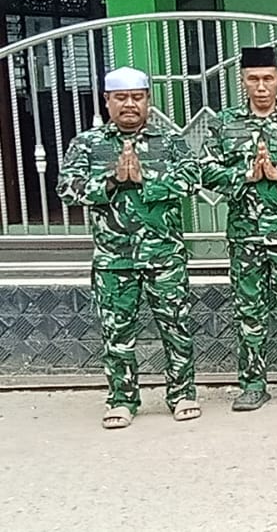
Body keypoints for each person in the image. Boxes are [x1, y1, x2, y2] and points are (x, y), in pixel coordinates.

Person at [59, 67, 202, 430]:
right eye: (121, 98)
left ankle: (182, 394)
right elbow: (67, 188)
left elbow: (192, 179)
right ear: (107, 101)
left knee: (176, 328)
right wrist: (111, 181)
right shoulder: (87, 144)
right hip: (114, 258)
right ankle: (122, 400)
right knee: (117, 334)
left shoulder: (169, 141)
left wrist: (145, 179)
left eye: (137, 97)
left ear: (148, 101)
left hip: (164, 256)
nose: (129, 105)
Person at [200, 45, 277, 411]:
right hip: (245, 235)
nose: (260, 86)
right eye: (253, 79)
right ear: (242, 81)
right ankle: (253, 385)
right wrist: (246, 175)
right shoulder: (225, 123)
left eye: (267, 78)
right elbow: (206, 170)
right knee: (249, 312)